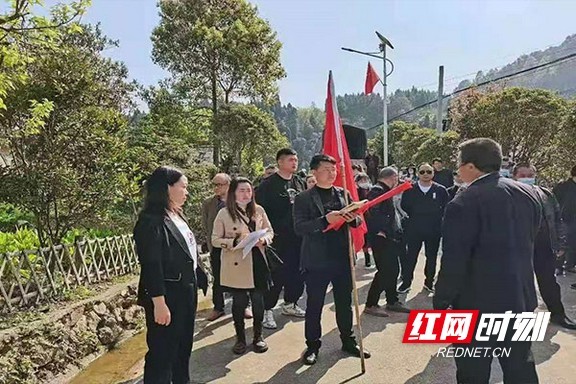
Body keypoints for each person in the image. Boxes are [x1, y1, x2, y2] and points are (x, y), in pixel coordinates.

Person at [434, 138, 542, 384]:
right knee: (521, 368)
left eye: (460, 164)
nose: (458, 170)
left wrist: (441, 301)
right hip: (520, 298)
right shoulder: (528, 193)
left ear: (471, 166)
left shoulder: (463, 202)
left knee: (473, 368)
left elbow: (454, 260)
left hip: (476, 303)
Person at [294, 154, 371, 365]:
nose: (332, 173)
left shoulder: (343, 193)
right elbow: (299, 228)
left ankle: (348, 341)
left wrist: (353, 218)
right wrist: (324, 220)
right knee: (314, 305)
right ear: (314, 172)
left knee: (344, 303)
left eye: (334, 169)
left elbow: (357, 220)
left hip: (342, 258)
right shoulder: (304, 198)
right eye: (327, 169)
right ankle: (312, 345)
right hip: (317, 260)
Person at [134, 166, 208, 384]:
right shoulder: (150, 221)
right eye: (183, 187)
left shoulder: (176, 215)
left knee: (183, 347)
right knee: (162, 352)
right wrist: (159, 302)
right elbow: (151, 265)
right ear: (167, 188)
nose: (187, 192)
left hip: (186, 291)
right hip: (167, 297)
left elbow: (188, 251)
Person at [212, 177, 274, 354]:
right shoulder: (224, 213)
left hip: (258, 259)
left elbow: (270, 230)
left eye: (248, 190)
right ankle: (240, 338)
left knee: (258, 301)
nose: (246, 194)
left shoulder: (259, 210)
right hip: (237, 262)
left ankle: (258, 336)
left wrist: (264, 239)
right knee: (239, 302)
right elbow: (215, 240)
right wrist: (236, 241)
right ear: (233, 193)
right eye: (241, 190)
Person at [513, 164, 576, 330]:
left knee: (549, 282)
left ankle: (558, 314)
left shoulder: (545, 193)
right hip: (518, 246)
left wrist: (561, 243)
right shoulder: (507, 194)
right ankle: (520, 322)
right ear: (515, 176)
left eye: (530, 174)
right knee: (520, 284)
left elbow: (557, 219)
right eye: (523, 174)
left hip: (544, 245)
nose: (527, 177)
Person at [256, 148, 307, 329]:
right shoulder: (268, 185)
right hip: (276, 239)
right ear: (280, 162)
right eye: (291, 160)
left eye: (296, 159)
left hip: (298, 237)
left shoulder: (299, 182)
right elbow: (258, 212)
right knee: (276, 276)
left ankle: (290, 303)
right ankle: (267, 310)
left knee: (297, 273)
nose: (295, 163)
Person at [364, 167, 411, 317]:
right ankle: (371, 303)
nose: (397, 181)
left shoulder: (385, 190)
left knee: (393, 270)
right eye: (396, 178)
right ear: (392, 177)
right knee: (385, 271)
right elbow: (372, 212)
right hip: (382, 238)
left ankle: (392, 300)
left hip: (391, 237)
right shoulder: (377, 190)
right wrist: (381, 230)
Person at [399, 163, 449, 293]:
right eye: (422, 172)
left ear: (433, 173)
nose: (425, 174)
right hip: (414, 228)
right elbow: (404, 205)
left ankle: (429, 282)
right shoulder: (410, 189)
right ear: (417, 174)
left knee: (431, 257)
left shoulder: (440, 190)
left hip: (434, 229)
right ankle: (406, 282)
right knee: (411, 256)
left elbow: (445, 206)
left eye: (428, 171)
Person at [201, 173, 236, 322]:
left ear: (228, 185)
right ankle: (218, 307)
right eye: (214, 184)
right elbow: (206, 224)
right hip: (216, 246)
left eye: (219, 185)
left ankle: (243, 305)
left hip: (236, 246)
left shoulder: (237, 200)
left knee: (239, 276)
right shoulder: (208, 203)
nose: (215, 188)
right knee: (218, 277)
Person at [553, 164, 576, 276]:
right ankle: (559, 266)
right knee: (564, 243)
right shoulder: (563, 186)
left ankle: (569, 265)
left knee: (572, 244)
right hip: (565, 219)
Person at [356, 172, 373, 267]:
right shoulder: (356, 191)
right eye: (361, 180)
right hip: (361, 218)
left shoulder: (372, 190)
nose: (364, 182)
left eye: (365, 180)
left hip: (371, 217)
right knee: (364, 239)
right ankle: (367, 257)